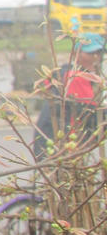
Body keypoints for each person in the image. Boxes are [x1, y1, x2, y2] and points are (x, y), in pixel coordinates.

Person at [31, 32, 103, 160]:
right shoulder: (75, 77)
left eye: (99, 53)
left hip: (50, 144)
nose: (96, 57)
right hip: (60, 147)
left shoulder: (62, 73)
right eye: (90, 53)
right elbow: (91, 114)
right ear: (76, 53)